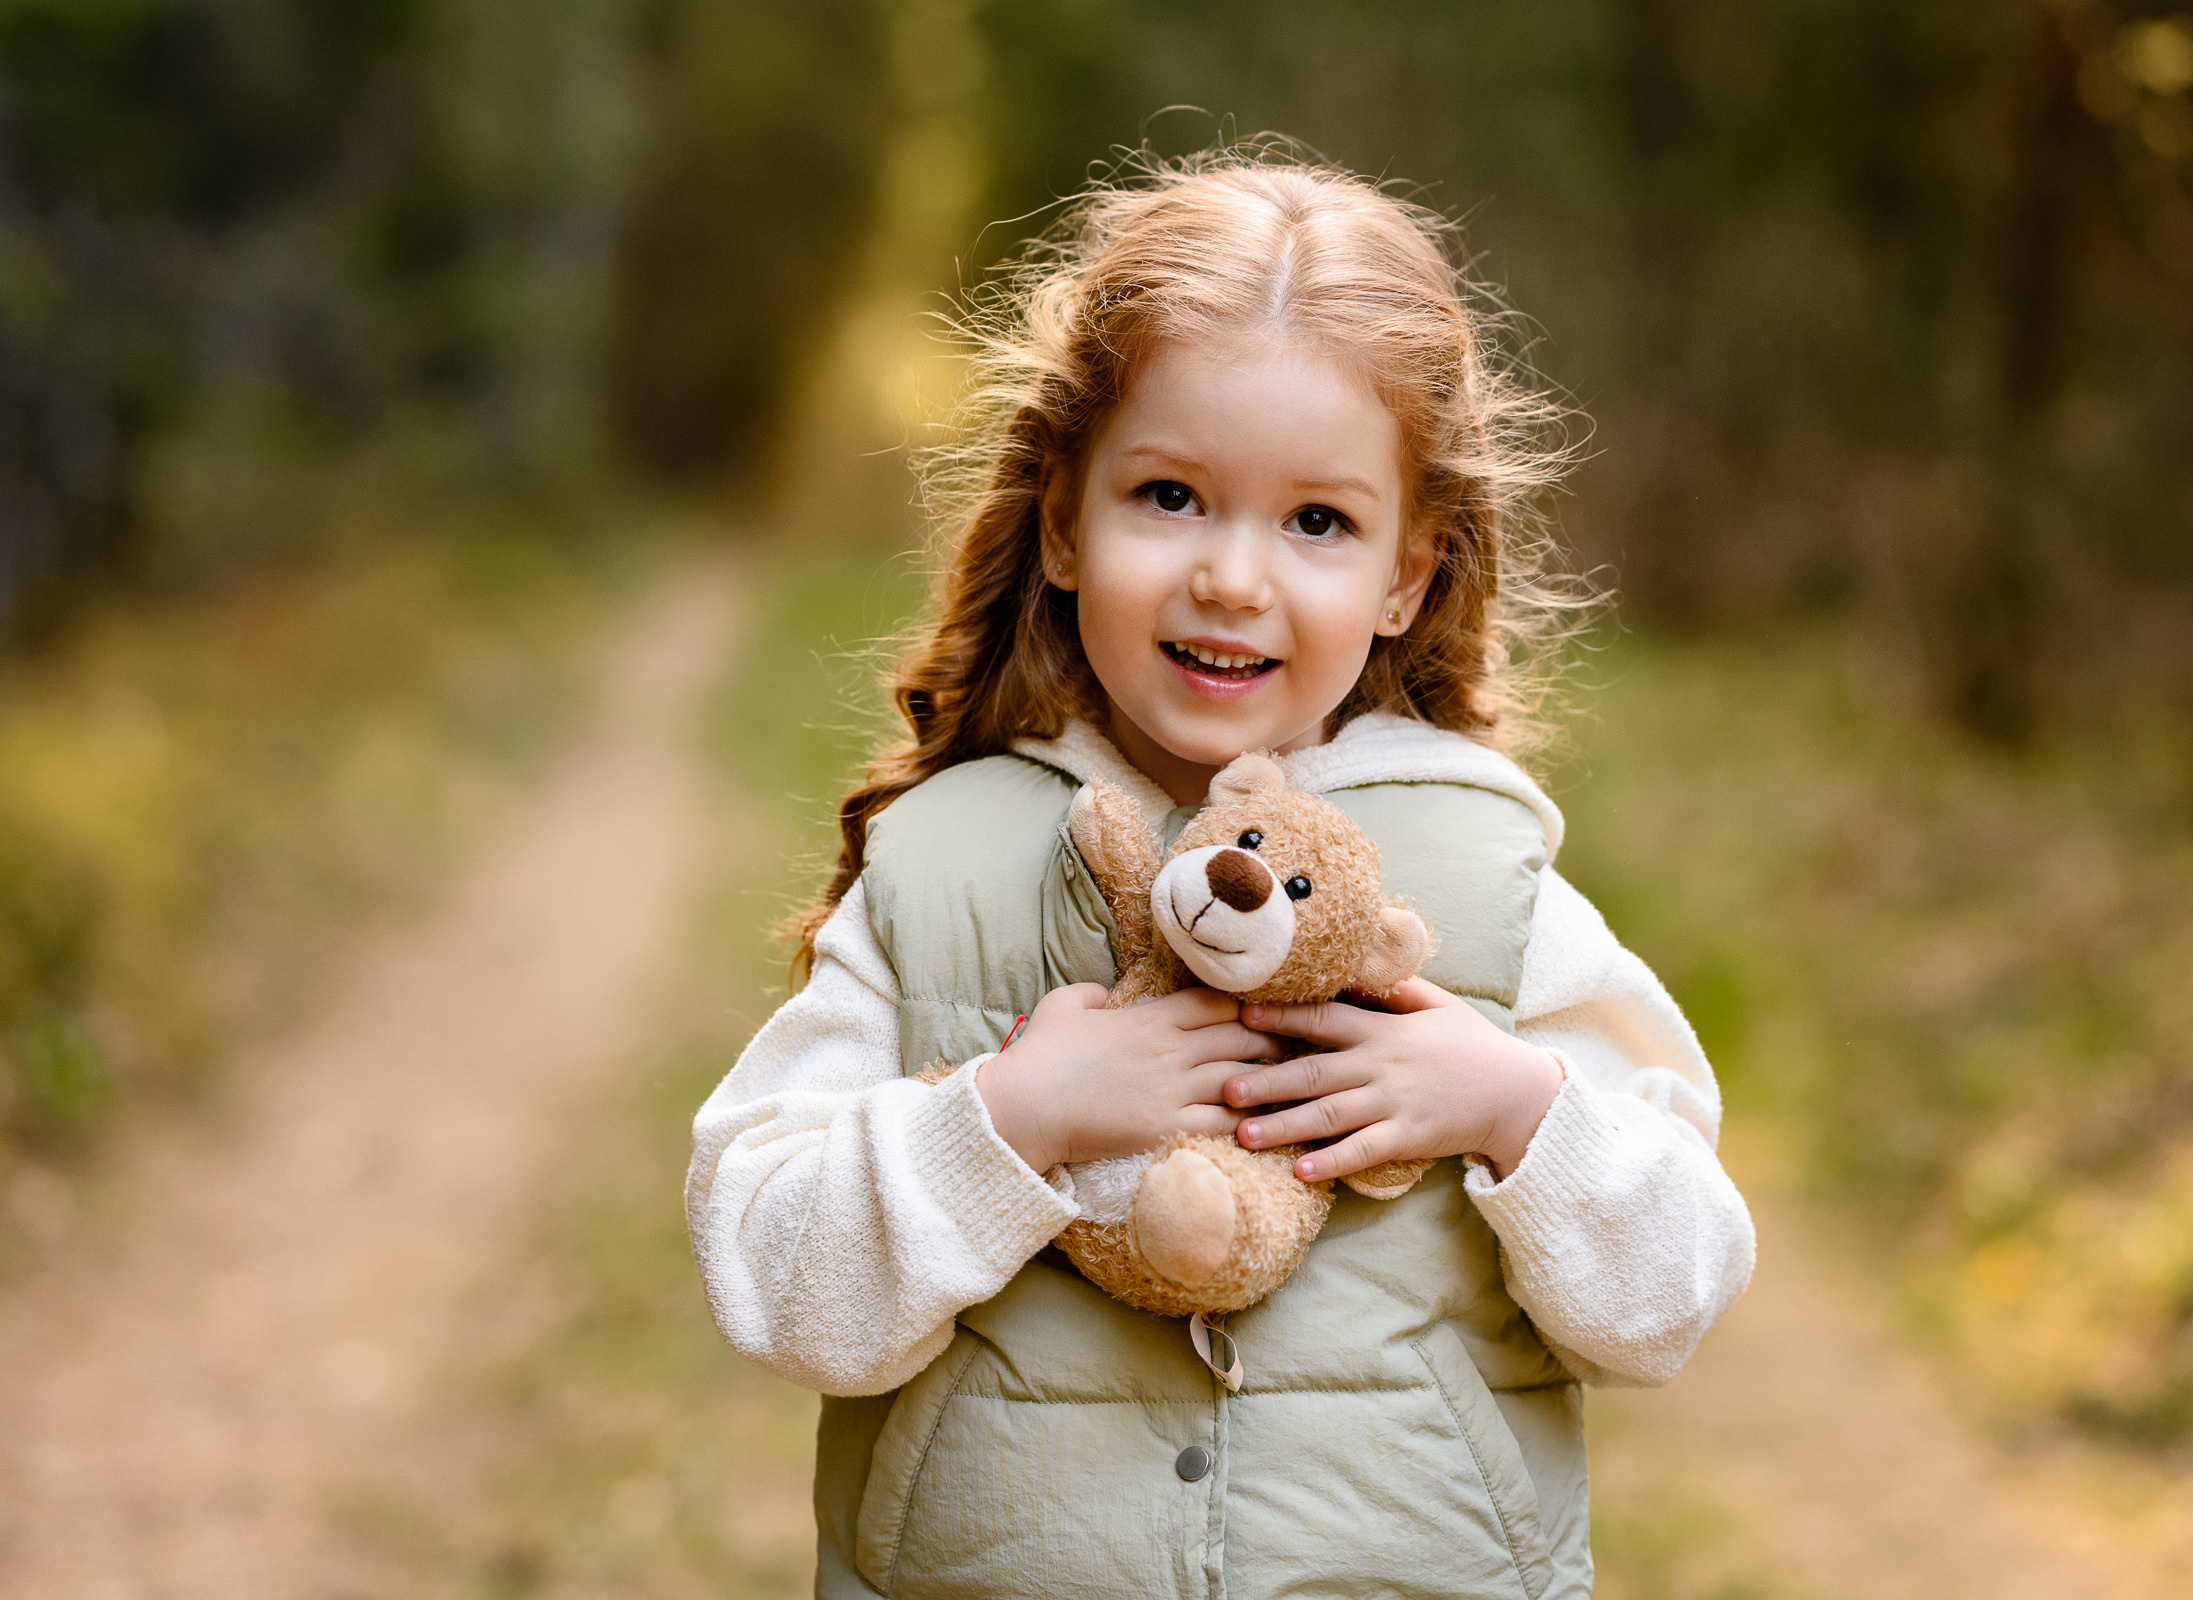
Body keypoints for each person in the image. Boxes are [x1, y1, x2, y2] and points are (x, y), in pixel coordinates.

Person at [687, 148, 1755, 1600]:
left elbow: (1669, 1298)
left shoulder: (1487, 894)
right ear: (1065, 520)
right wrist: (1007, 1122)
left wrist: (1513, 1110)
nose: (1234, 580)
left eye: (1317, 522)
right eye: (1171, 495)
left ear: (1407, 576)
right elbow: (773, 1279)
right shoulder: (938, 878)